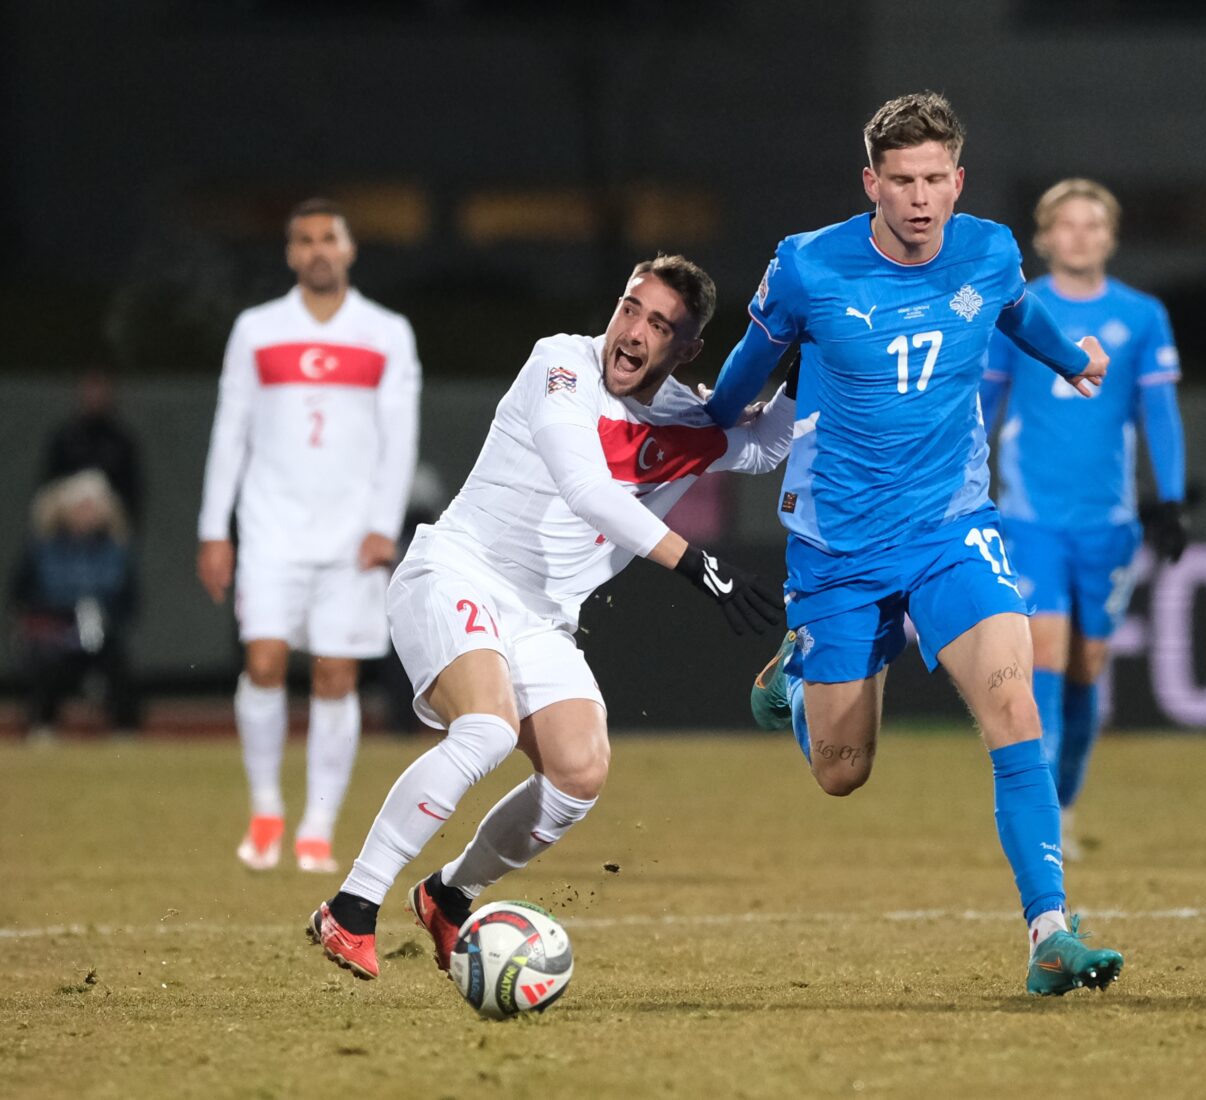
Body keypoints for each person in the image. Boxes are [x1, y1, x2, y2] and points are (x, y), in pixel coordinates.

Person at [717, 92, 1123, 996]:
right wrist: (710, 418)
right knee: (842, 774)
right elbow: (741, 376)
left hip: (952, 530)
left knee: (1015, 709)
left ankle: (1049, 931)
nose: (919, 197)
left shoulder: (989, 247)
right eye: (901, 180)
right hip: (839, 550)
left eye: (935, 178)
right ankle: (795, 672)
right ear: (872, 183)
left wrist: (1073, 359)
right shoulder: (809, 266)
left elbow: (1015, 313)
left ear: (958, 180)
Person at [307, 254, 791, 980]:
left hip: (540, 620)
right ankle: (350, 907)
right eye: (631, 306)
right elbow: (587, 487)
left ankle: (448, 895)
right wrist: (700, 565)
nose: (632, 332)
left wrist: (814, 348)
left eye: (659, 325)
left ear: (686, 350)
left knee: (579, 770)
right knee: (488, 728)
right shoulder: (560, 364)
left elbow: (766, 445)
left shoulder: (683, 421)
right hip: (454, 572)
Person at [197, 198, 422, 874]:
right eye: (305, 240)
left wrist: (385, 525)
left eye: (330, 238)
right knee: (263, 663)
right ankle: (267, 808)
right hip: (269, 528)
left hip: (353, 536)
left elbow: (399, 436)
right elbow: (229, 430)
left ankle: (317, 825)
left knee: (335, 675)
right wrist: (215, 529)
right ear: (291, 253)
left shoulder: (386, 332)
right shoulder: (256, 330)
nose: (318, 249)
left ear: (349, 249)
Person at [980, 179, 1187, 859]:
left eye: (1091, 224)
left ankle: (1063, 804)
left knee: (1085, 671)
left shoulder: (1142, 315)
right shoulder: (1020, 310)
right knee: (1046, 656)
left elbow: (1157, 412)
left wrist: (1173, 497)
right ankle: (1043, 823)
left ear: (1109, 235)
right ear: (1044, 237)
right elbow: (984, 404)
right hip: (1032, 519)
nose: (1078, 235)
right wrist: (965, 483)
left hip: (1110, 524)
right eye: (1064, 224)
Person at [11, 470, 139, 740]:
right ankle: (42, 726)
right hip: (54, 632)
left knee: (115, 659)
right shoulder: (42, 548)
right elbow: (22, 597)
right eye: (79, 507)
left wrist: (103, 618)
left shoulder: (116, 550)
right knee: (46, 660)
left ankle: (124, 730)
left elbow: (129, 602)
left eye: (92, 507)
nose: (86, 514)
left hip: (99, 632)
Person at [42, 369, 143, 526]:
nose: (94, 395)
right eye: (90, 388)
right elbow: (49, 485)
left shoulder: (121, 442)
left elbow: (131, 495)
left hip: (107, 517)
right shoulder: (64, 438)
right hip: (66, 509)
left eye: (100, 389)